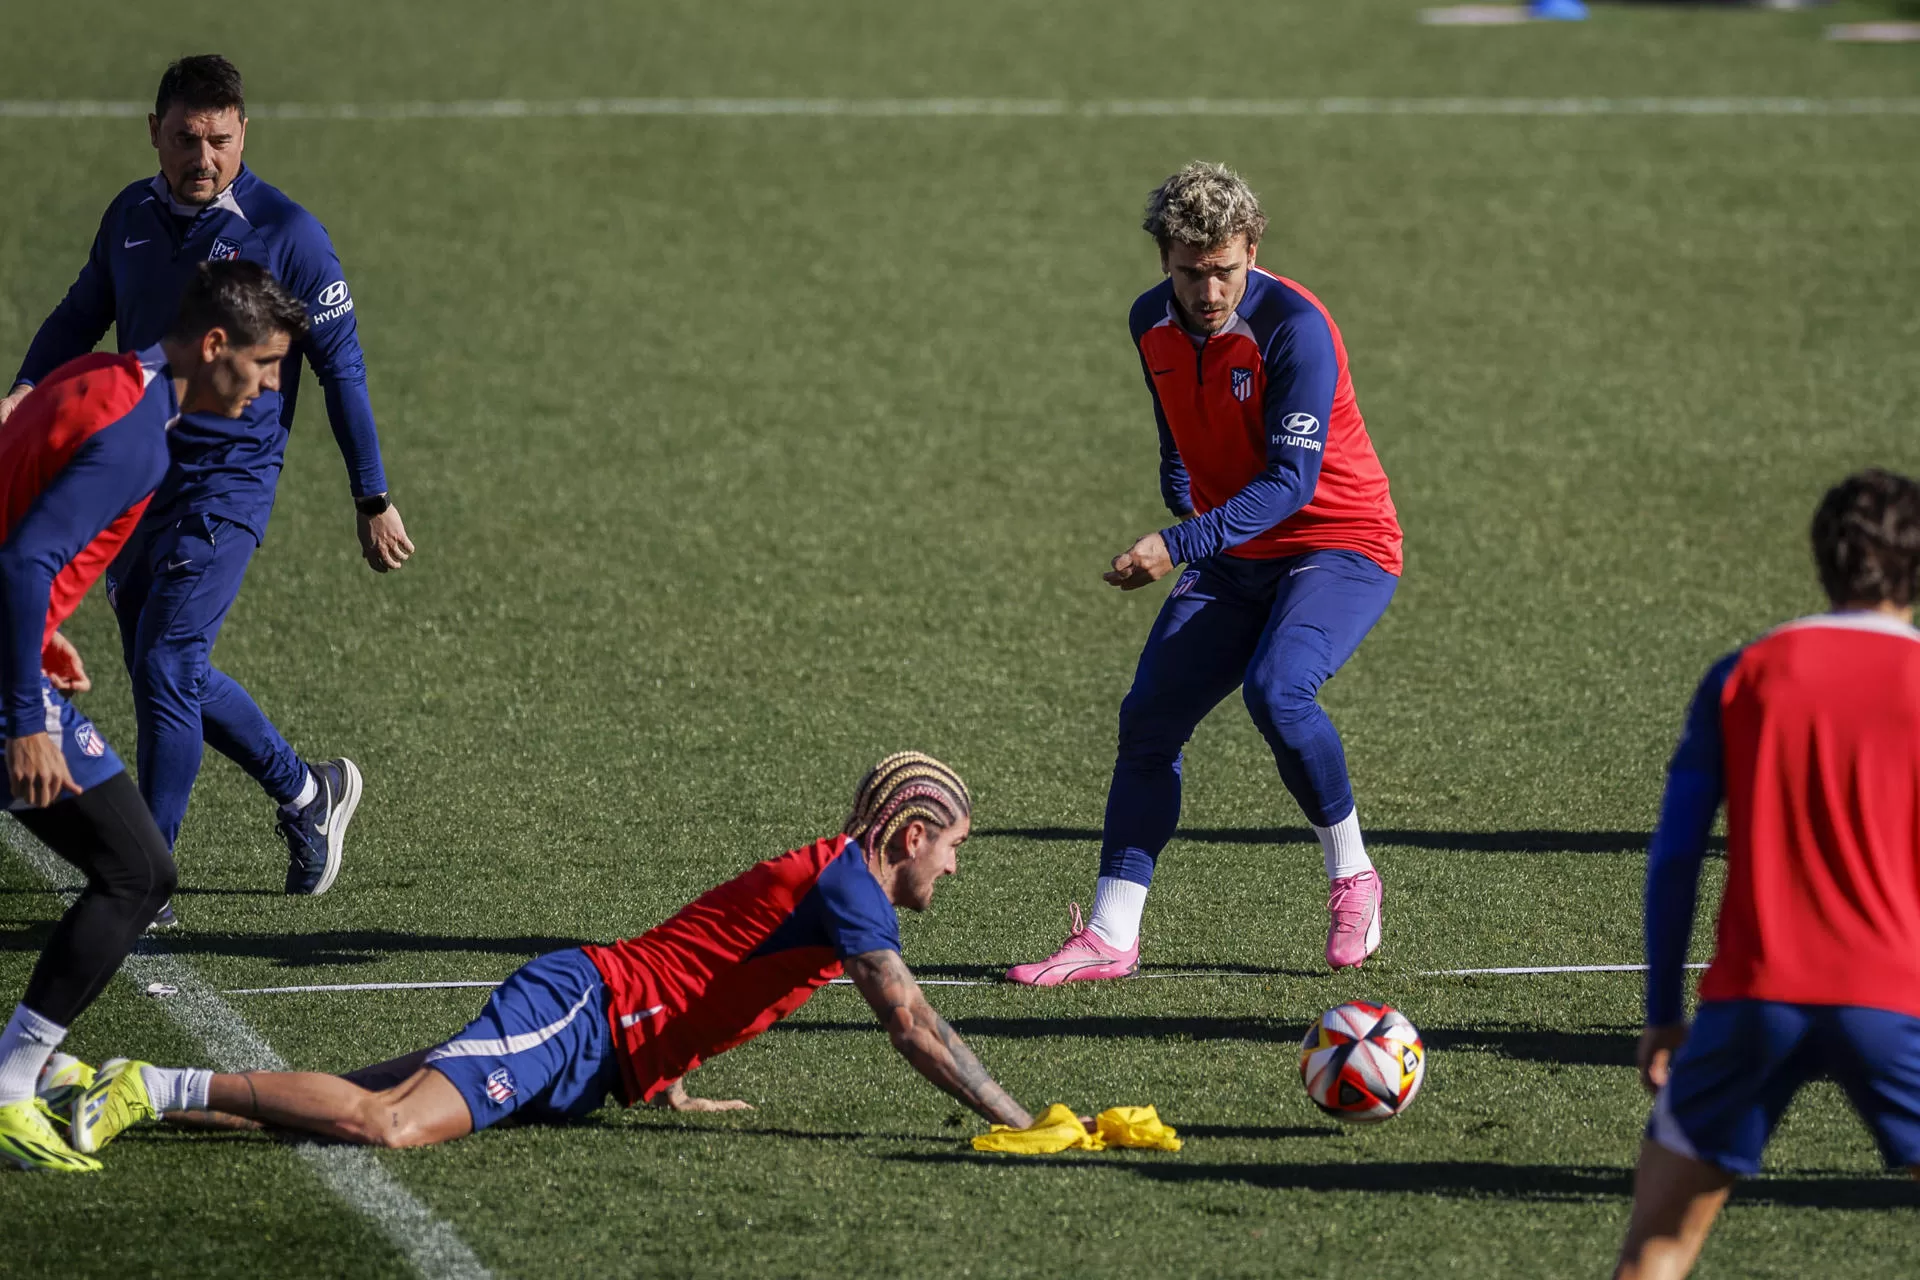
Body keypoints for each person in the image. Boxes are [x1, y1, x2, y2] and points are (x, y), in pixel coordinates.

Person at [64, 753, 1046, 1154]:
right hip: (575, 1013)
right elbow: (911, 1022)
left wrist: (667, 1068)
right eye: (955, 845)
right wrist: (1026, 1120)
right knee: (385, 1124)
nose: (954, 867)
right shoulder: (849, 889)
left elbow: (705, 953)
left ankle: (112, 1085)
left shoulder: (838, 883)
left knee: (335, 1107)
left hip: (595, 1036)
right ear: (912, 832)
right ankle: (144, 1086)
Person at [0, 55, 415, 914]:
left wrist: (371, 498)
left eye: (220, 140)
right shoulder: (130, 216)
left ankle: (140, 881)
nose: (203, 156)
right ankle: (308, 791)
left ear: (243, 134)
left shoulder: (288, 235)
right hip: (133, 471)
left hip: (230, 481)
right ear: (155, 131)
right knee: (175, 669)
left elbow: (343, 371)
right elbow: (83, 313)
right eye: (187, 138)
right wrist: (24, 394)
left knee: (165, 661)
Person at [1009, 162, 1403, 985]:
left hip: (1339, 543)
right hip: (1235, 552)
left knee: (1278, 689)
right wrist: (1190, 515)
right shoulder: (1148, 322)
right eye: (1190, 272)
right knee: (1149, 720)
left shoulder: (1297, 326)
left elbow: (1292, 484)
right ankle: (1112, 935)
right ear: (1165, 262)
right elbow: (1177, 441)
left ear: (1252, 250)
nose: (1209, 290)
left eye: (1225, 269)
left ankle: (1354, 877)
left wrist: (1178, 544)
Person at [0, 261, 311, 1173]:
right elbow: (23, 562)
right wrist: (23, 711)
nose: (265, 393)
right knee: (137, 871)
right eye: (261, 368)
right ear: (212, 347)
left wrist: (43, 635)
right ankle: (13, 1080)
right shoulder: (140, 438)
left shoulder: (92, 377)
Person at [1615, 469, 1920, 1279]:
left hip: (1751, 1002)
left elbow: (1676, 854)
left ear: (1820, 556)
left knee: (1658, 1246)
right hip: (1895, 1003)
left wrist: (1661, 1013)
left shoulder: (1743, 674)